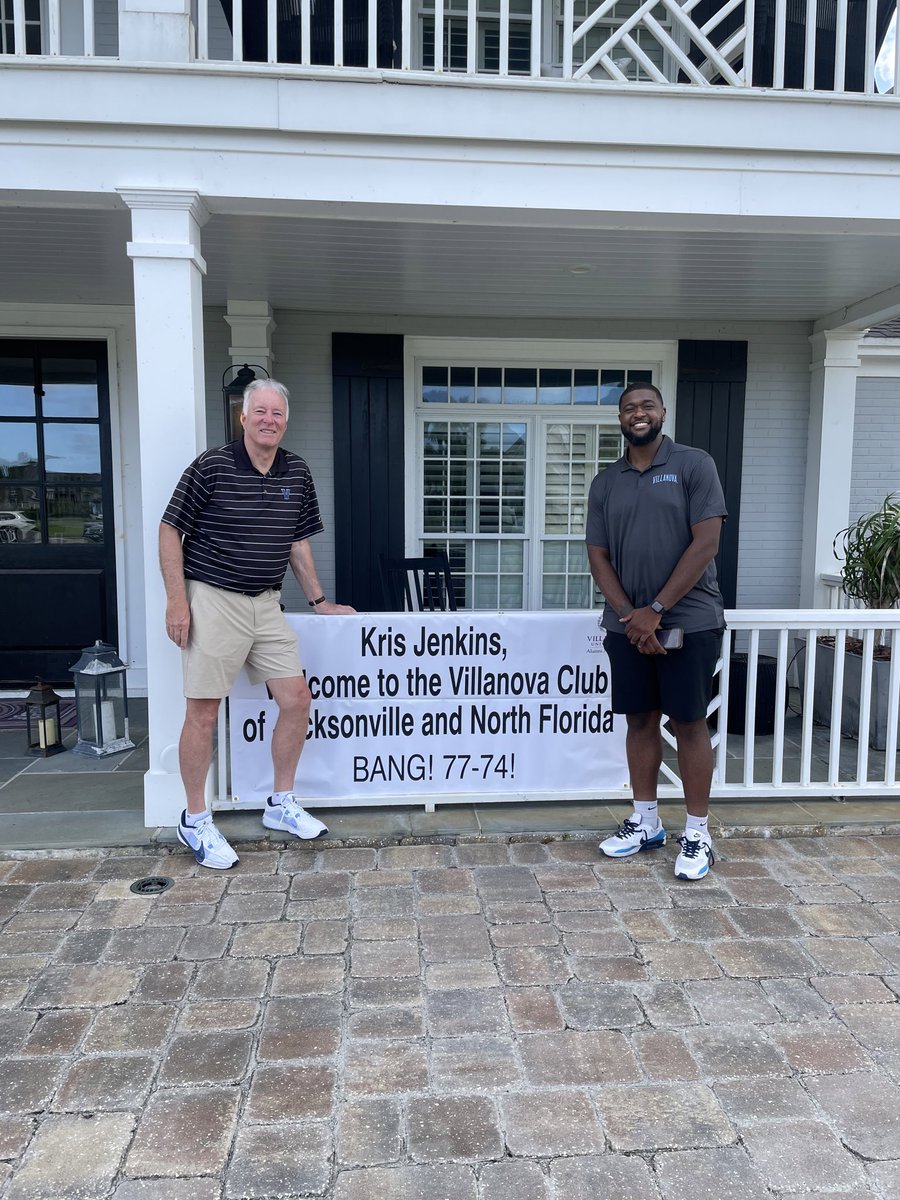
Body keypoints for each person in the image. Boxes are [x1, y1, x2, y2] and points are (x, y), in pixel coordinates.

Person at [159, 379, 354, 869]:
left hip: (267, 603)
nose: (269, 420)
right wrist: (177, 601)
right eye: (260, 412)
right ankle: (195, 820)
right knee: (203, 712)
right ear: (243, 418)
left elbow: (298, 542)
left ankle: (280, 803)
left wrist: (320, 600)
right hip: (213, 599)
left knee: (297, 699)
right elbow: (169, 529)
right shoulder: (212, 465)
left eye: (278, 414)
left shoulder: (298, 471)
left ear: (286, 421)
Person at [586, 382, 726, 881]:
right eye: (628, 408)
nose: (638, 413)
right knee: (639, 721)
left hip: (690, 622)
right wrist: (631, 615)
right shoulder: (606, 481)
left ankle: (697, 833)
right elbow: (597, 555)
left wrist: (658, 608)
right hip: (628, 627)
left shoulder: (693, 464)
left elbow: (705, 543)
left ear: (663, 412)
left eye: (647, 405)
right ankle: (645, 823)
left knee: (689, 723)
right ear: (620, 419)